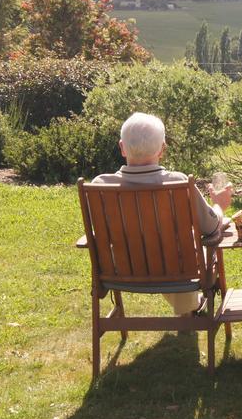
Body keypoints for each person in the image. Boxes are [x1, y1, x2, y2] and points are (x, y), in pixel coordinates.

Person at [92, 112, 233, 317]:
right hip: (175, 270)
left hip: (122, 270)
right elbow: (210, 227)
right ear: (163, 149)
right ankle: (190, 308)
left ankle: (189, 308)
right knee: (187, 251)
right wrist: (219, 206)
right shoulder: (178, 182)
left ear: (122, 147)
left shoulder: (100, 186)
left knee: (168, 250)